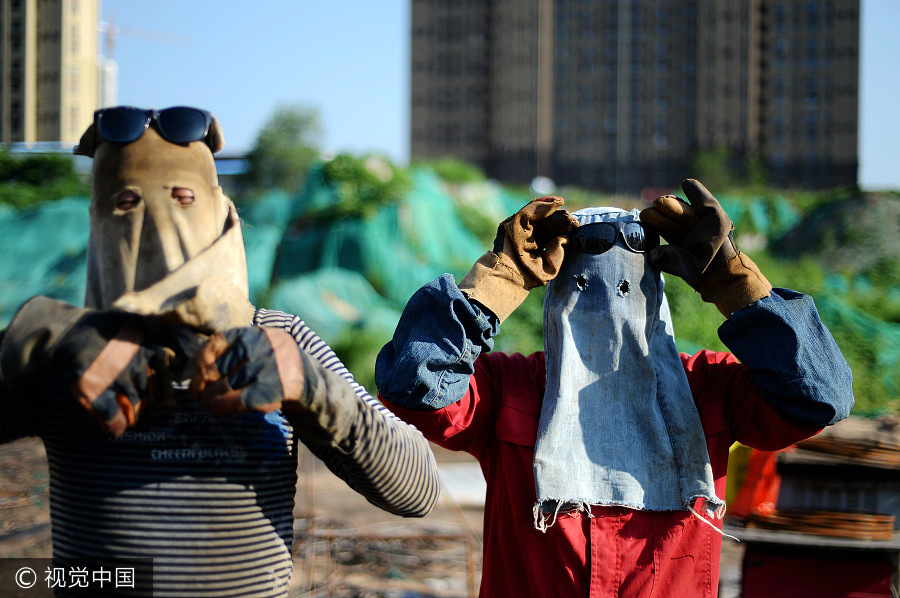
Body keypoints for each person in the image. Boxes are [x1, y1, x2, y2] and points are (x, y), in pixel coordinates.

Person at [0, 105, 440, 597]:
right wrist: (26, 347)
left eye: (182, 199)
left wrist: (311, 388)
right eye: (126, 202)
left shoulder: (278, 338)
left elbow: (418, 489)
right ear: (99, 220)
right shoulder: (65, 352)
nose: (157, 229)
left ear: (218, 214)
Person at [375, 179, 854, 597]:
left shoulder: (707, 386)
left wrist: (734, 283)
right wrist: (496, 282)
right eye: (583, 277)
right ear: (553, 281)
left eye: (628, 276)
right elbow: (411, 384)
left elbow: (819, 398)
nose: (608, 294)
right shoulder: (510, 387)